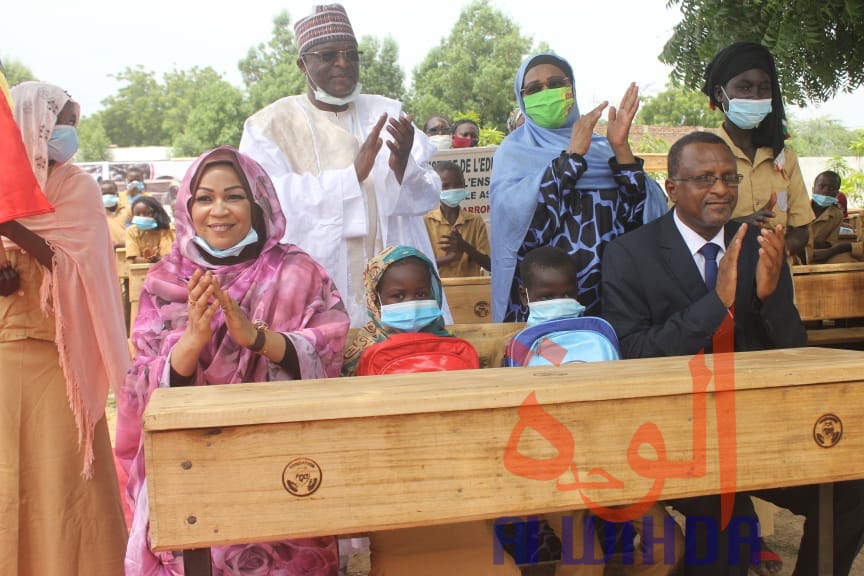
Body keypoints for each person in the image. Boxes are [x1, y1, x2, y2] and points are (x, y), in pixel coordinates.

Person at [601, 130, 864, 576]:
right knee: (729, 533)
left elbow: (792, 352)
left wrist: (767, 298)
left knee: (852, 489)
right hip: (677, 433)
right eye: (704, 178)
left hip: (758, 427)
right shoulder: (630, 253)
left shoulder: (759, 242)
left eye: (728, 177)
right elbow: (632, 352)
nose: (721, 188)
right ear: (673, 188)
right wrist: (714, 304)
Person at [115, 146, 350, 574]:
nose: (218, 211)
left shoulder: (297, 271)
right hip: (192, 467)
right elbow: (140, 381)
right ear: (188, 206)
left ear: (258, 202)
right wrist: (192, 341)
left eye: (234, 196)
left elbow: (330, 349)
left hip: (283, 470)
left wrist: (256, 337)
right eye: (204, 198)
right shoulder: (166, 279)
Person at [239, 3, 445, 328]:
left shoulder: (388, 112)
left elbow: (428, 196)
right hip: (314, 284)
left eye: (351, 54)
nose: (343, 64)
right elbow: (268, 203)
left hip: (398, 293)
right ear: (302, 65)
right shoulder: (270, 125)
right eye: (328, 55)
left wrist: (401, 166)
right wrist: (352, 177)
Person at [2, 81, 128, 574]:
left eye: (73, 122)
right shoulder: (3, 187)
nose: (70, 133)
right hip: (5, 362)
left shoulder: (77, 187)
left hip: (62, 368)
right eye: (63, 122)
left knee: (66, 485)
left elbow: (77, 265)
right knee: (10, 486)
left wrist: (13, 229)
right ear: (33, 126)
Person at [341, 245, 520, 576]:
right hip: (393, 489)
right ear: (374, 298)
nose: (411, 303)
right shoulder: (356, 356)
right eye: (398, 296)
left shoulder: (454, 346)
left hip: (461, 482)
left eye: (421, 292)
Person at [490, 53, 661, 323]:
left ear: (571, 88)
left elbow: (638, 223)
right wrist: (571, 159)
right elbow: (521, 233)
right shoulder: (512, 154)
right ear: (522, 98)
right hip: (545, 308)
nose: (546, 92)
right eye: (534, 88)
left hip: (610, 301)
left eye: (556, 83)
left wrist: (620, 149)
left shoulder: (605, 149)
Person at [702, 41, 813, 261]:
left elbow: (801, 229)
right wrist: (737, 226)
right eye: (744, 87)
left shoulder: (784, 157)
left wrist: (776, 253)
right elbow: (681, 225)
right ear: (720, 94)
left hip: (776, 282)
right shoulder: (700, 153)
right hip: (718, 277)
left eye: (764, 88)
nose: (756, 96)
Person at [423, 160, 490, 277]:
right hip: (438, 290)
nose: (452, 189)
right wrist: (450, 258)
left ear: (464, 185)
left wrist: (465, 247)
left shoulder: (475, 221)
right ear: (435, 188)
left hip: (468, 291)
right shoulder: (426, 222)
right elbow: (421, 266)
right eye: (445, 186)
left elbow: (489, 265)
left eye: (457, 184)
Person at [810, 170, 862, 263]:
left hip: (818, 253)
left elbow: (830, 243)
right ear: (813, 189)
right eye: (821, 186)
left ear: (837, 194)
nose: (825, 191)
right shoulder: (800, 208)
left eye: (831, 188)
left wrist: (824, 251)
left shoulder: (837, 214)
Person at [126, 196, 175, 264]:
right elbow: (133, 258)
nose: (141, 217)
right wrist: (149, 260)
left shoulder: (166, 229)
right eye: (137, 214)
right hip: (139, 271)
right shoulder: (131, 231)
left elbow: (167, 256)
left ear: (156, 214)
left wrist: (157, 259)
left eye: (146, 213)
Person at [102, 179, 128, 247]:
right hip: (108, 254)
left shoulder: (128, 210)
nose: (107, 196)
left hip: (128, 253)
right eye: (104, 194)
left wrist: (118, 245)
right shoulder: (97, 214)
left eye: (111, 193)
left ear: (117, 194)